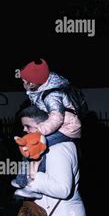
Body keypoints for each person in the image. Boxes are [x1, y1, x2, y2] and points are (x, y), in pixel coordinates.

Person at [12, 59, 81, 196]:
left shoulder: (52, 95)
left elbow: (57, 118)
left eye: (25, 81)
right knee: (29, 145)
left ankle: (34, 186)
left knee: (36, 146)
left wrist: (40, 130)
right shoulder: (40, 88)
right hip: (59, 125)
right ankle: (23, 179)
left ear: (33, 82)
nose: (23, 83)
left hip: (67, 128)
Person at [15, 106, 87, 216]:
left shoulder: (58, 148)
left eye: (28, 126)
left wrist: (33, 177)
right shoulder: (42, 146)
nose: (24, 129)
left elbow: (63, 189)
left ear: (45, 125)